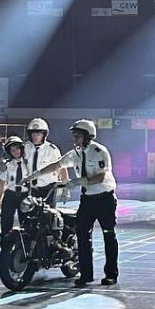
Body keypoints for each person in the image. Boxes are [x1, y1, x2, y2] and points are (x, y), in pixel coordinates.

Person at [64, 120, 118, 286]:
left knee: (108, 235)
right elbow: (56, 164)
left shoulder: (99, 151)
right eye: (74, 136)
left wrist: (77, 181)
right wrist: (34, 176)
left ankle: (111, 274)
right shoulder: (75, 153)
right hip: (87, 200)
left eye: (78, 136)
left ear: (88, 136)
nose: (75, 139)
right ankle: (86, 274)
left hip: (104, 199)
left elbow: (101, 177)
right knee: (82, 235)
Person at [22, 117, 66, 227]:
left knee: (48, 217)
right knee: (30, 218)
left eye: (38, 134)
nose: (35, 136)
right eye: (33, 134)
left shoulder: (52, 150)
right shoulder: (25, 148)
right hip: (31, 189)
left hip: (48, 189)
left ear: (44, 135)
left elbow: (62, 167)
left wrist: (66, 186)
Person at [0, 135, 27, 238]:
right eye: (12, 150)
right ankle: (5, 243)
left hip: (25, 195)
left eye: (17, 148)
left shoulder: (29, 164)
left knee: (26, 223)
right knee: (6, 222)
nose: (16, 152)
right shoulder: (7, 165)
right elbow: (1, 183)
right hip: (11, 195)